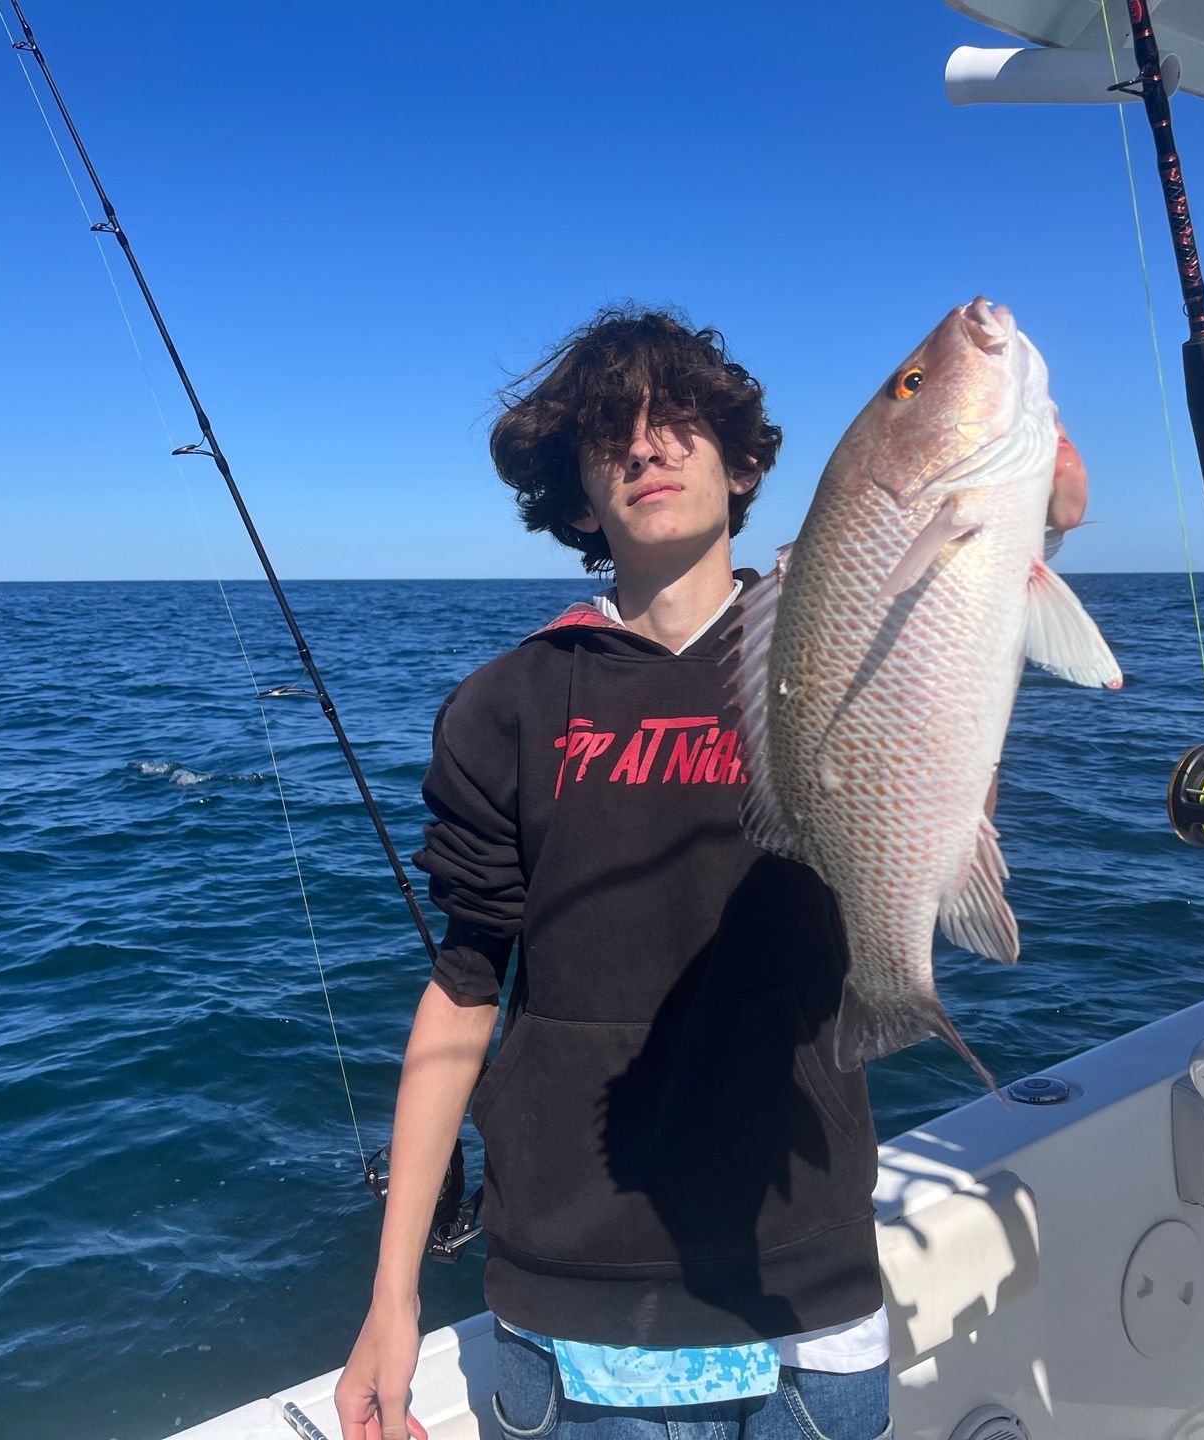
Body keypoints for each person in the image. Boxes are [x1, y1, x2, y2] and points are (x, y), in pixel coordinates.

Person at [334, 309, 890, 1440]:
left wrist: (1035, 531)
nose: (648, 447)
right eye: (610, 433)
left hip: (809, 1292)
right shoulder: (509, 705)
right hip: (569, 1310)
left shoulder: (840, 655)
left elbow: (946, 758)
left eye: (681, 419)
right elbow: (464, 984)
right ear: (579, 499)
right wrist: (391, 1299)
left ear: (741, 465)